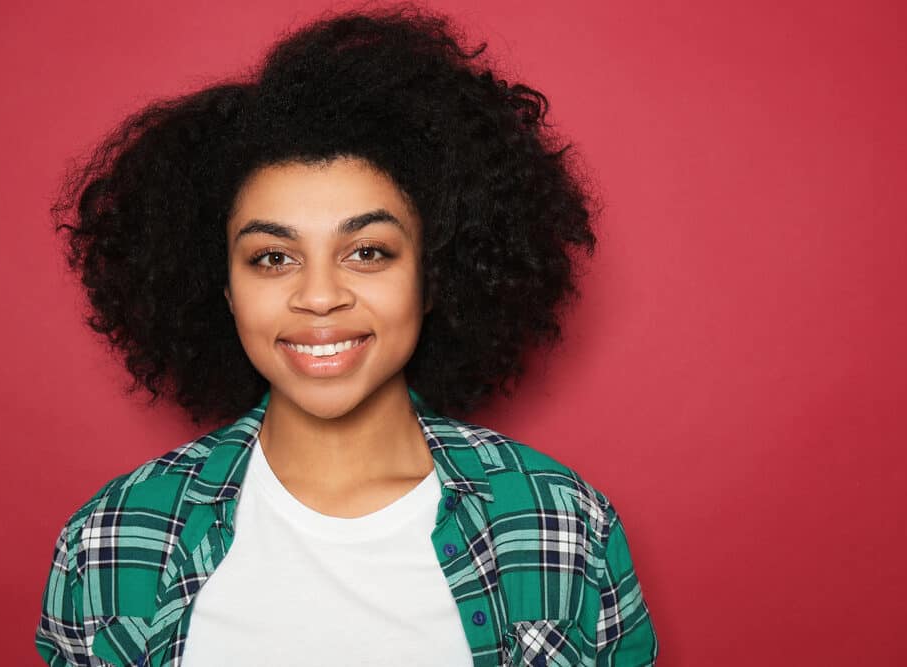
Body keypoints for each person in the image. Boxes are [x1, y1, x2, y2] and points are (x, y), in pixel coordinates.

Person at [35, 5, 659, 666]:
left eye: (368, 251)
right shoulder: (111, 538)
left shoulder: (560, 526)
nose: (320, 295)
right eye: (273, 257)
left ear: (433, 275)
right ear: (222, 288)